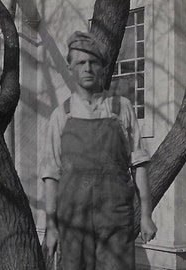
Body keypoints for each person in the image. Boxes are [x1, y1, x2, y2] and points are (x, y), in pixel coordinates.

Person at [42, 31, 157, 270]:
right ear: (70, 67)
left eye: (93, 62)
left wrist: (146, 215)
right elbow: (51, 176)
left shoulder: (120, 108)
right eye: (81, 63)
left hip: (114, 219)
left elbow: (139, 165)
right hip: (74, 221)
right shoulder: (61, 115)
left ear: (103, 68)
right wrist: (51, 227)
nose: (87, 68)